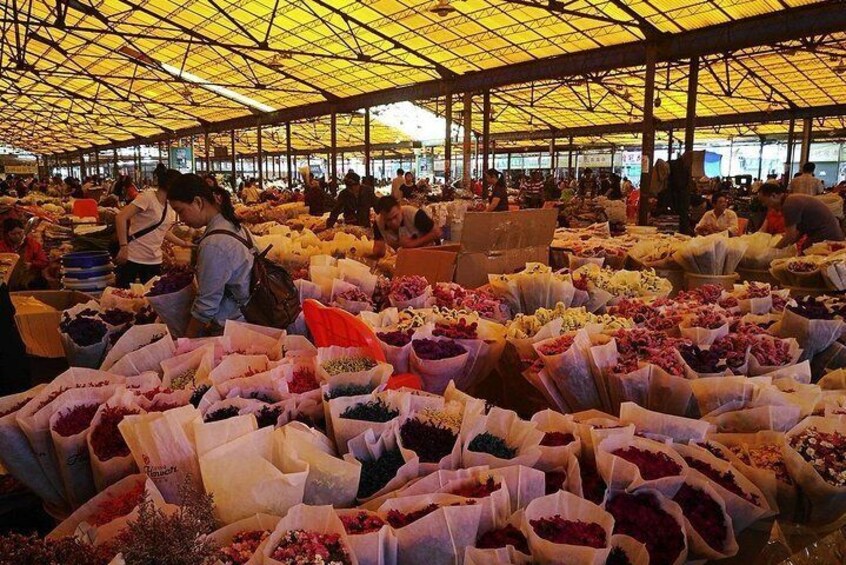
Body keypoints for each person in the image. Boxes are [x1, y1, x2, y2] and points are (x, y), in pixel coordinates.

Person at [167, 173, 255, 337]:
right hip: (250, 319)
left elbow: (206, 306)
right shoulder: (235, 226)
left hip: (233, 329)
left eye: (180, 211)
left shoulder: (214, 244)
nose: (181, 219)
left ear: (198, 202)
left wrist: (186, 342)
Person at [115, 169, 192, 287]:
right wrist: (123, 247)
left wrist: (183, 243)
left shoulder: (168, 205)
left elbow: (162, 230)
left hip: (154, 260)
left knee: (152, 298)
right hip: (133, 256)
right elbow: (121, 217)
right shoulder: (148, 197)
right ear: (171, 185)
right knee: (124, 296)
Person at [758, 183, 844, 248]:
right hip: (828, 234)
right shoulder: (790, 200)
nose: (764, 205)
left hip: (827, 237)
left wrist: (773, 250)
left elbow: (790, 236)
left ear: (773, 195)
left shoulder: (789, 205)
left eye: (764, 201)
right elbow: (796, 233)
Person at [372, 196, 440, 258]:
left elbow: (437, 232)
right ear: (381, 215)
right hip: (406, 258)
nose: (393, 222)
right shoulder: (378, 223)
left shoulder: (414, 214)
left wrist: (412, 244)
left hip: (429, 255)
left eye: (395, 216)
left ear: (400, 208)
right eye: (388, 220)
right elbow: (379, 249)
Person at [0, 218, 48, 289]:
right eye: (13, 234)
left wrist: (31, 264)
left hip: (28, 279)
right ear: (7, 234)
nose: (18, 236)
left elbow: (44, 261)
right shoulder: (2, 246)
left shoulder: (32, 244)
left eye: (20, 232)